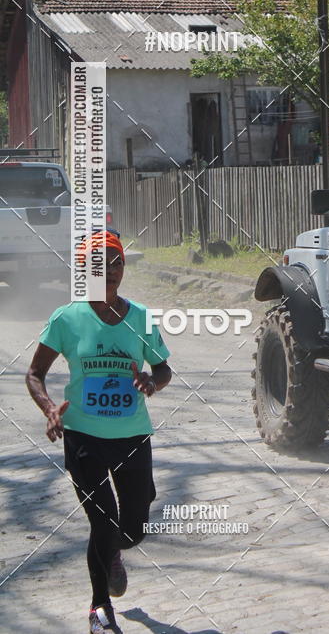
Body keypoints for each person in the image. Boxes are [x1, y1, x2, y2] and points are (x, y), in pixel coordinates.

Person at [26, 231, 172, 634]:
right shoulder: (67, 318)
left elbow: (163, 368)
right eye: (100, 264)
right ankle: (99, 608)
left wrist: (151, 381)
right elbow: (35, 373)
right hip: (83, 436)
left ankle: (113, 555)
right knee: (103, 522)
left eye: (117, 263)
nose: (110, 271)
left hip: (132, 435)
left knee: (133, 530)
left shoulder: (140, 317)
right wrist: (50, 408)